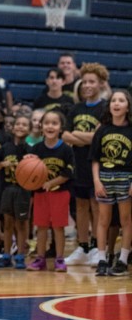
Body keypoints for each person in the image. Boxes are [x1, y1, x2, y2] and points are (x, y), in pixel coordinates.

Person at [63, 62, 108, 267]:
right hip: (78, 164)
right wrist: (87, 137)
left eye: (92, 82)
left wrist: (78, 136)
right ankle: (83, 246)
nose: (87, 86)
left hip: (97, 164)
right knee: (80, 205)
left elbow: (98, 138)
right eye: (84, 82)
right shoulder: (75, 108)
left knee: (95, 205)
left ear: (101, 84)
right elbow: (65, 135)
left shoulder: (105, 108)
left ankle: (99, 248)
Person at [90, 90, 132, 277]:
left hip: (126, 177)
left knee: (126, 220)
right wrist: (97, 181)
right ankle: (101, 259)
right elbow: (95, 159)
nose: (116, 103)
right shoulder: (102, 129)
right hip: (105, 178)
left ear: (128, 106)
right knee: (103, 220)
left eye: (121, 100)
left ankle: (122, 259)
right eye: (113, 100)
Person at [27, 109, 74, 271]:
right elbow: (29, 172)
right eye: (47, 123)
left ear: (61, 128)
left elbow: (68, 173)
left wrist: (51, 182)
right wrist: (26, 163)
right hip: (40, 194)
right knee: (41, 227)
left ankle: (60, 259)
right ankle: (40, 259)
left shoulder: (66, 150)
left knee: (58, 227)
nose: (50, 126)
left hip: (60, 193)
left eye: (54, 123)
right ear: (41, 127)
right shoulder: (36, 149)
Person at [0, 113, 32, 269]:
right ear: (13, 127)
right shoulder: (4, 148)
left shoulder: (30, 149)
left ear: (29, 130)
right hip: (7, 189)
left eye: (24, 125)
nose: (20, 127)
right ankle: (7, 254)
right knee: (7, 224)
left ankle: (21, 254)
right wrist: (2, 164)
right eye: (18, 124)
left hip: (23, 190)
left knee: (21, 224)